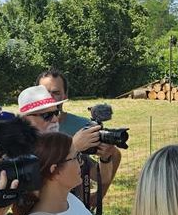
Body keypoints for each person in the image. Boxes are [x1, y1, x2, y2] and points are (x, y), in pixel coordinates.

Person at [17, 82, 118, 213]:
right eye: (46, 115)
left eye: (55, 113)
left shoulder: (63, 143)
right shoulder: (18, 150)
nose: (54, 119)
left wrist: (105, 158)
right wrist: (73, 147)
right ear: (25, 119)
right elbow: (36, 188)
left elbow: (102, 178)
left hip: (72, 214)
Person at [37, 68, 122, 199]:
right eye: (44, 92)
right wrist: (74, 147)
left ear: (65, 96)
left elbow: (112, 156)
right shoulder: (25, 129)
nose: (49, 97)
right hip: (38, 210)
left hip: (76, 208)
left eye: (56, 92)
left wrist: (101, 191)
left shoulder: (83, 126)